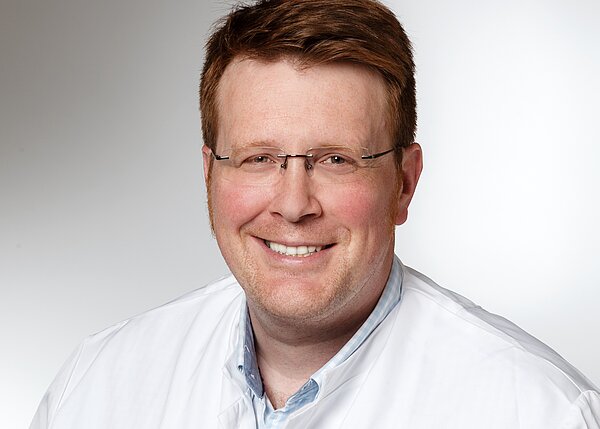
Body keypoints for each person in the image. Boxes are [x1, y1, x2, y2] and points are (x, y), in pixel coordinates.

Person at [31, 0, 600, 427]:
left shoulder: (539, 411)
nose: (294, 204)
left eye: (336, 159)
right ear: (209, 175)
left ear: (404, 183)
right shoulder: (96, 387)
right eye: (259, 158)